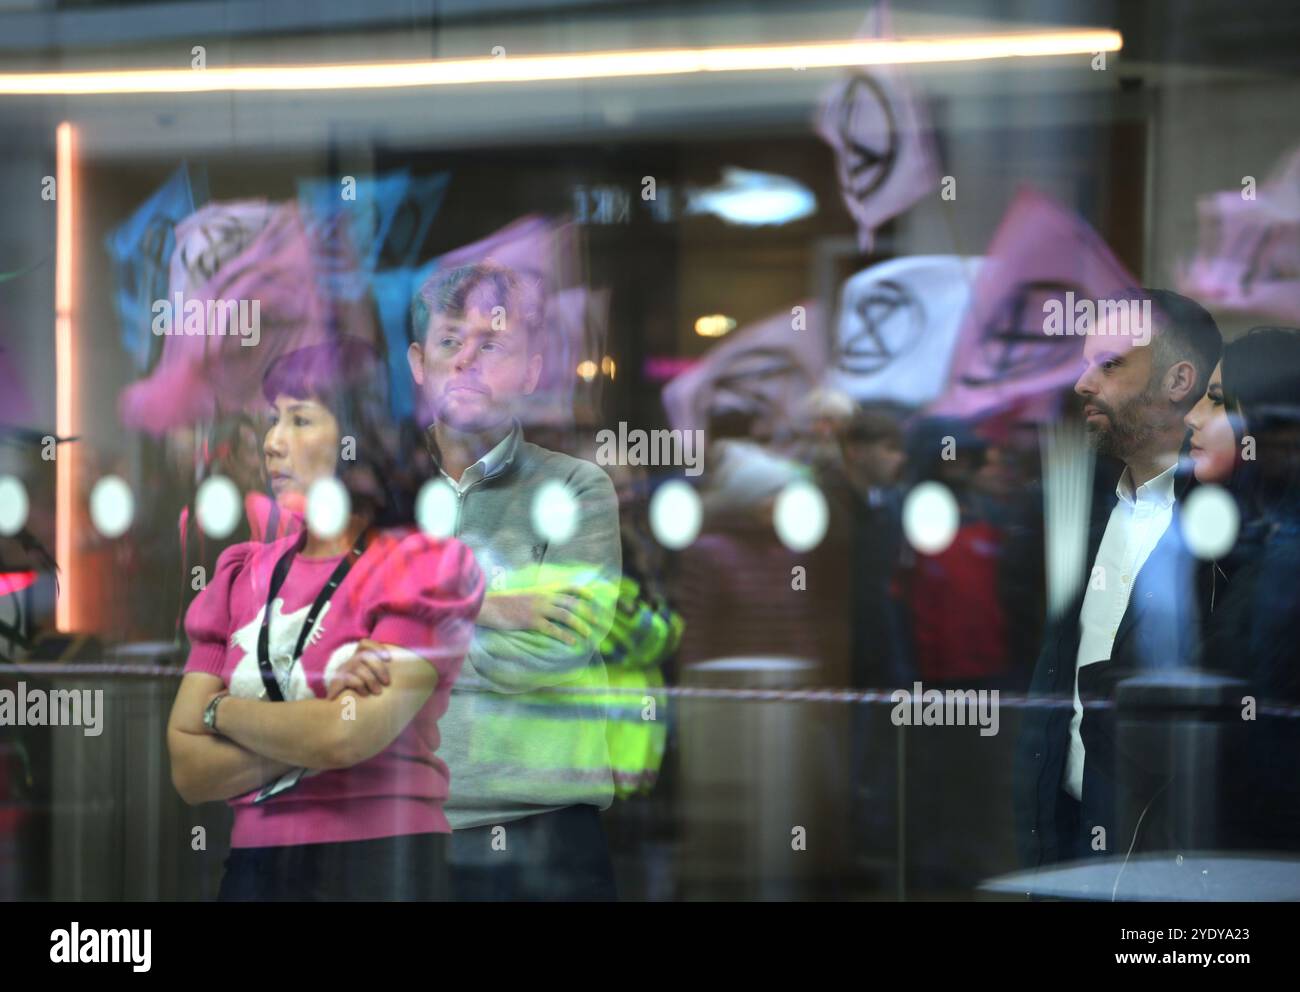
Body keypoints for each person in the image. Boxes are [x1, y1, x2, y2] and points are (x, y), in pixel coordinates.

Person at [334, 261, 623, 900]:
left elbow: (555, 648)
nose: (466, 360)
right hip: (393, 827)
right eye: (448, 342)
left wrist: (401, 625)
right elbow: (329, 649)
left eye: (491, 343)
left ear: (531, 369)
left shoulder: (578, 489)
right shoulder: (373, 499)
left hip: (543, 832)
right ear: (417, 362)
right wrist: (489, 604)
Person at [166, 339, 485, 901]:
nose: (271, 443)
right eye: (271, 420)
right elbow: (189, 771)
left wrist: (218, 712)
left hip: (381, 863)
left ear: (354, 436)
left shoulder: (421, 565)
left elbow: (347, 736)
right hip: (255, 867)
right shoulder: (240, 574)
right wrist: (310, 722)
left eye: (299, 419)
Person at [1014, 288, 1222, 869]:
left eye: (1109, 365)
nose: (1083, 383)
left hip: (1164, 852)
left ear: (1178, 382)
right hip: (1068, 829)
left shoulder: (1222, 533)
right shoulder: (1080, 510)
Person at [1185, 326, 1300, 853]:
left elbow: (1263, 756)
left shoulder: (1284, 560)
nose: (1192, 417)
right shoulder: (1251, 537)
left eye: (1214, 401)